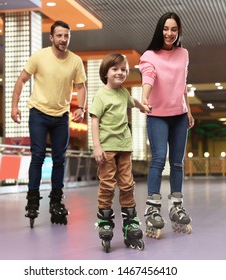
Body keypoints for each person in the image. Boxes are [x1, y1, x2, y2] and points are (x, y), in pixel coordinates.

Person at [11, 20, 87, 228]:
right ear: (51, 37)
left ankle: (56, 201)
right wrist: (14, 106)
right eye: (59, 36)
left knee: (59, 159)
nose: (63, 39)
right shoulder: (39, 56)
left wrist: (80, 107)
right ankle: (33, 199)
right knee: (37, 156)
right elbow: (21, 80)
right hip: (38, 113)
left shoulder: (75, 61)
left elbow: (81, 87)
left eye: (66, 36)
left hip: (61, 115)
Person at [139, 12, 194, 238]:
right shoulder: (149, 55)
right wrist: (144, 98)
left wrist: (188, 110)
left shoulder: (184, 54)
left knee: (178, 162)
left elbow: (182, 84)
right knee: (159, 158)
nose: (169, 33)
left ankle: (176, 206)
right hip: (157, 114)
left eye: (173, 29)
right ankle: (152, 208)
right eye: (165, 29)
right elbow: (149, 77)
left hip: (179, 114)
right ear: (159, 30)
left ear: (178, 31)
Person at [89, 53, 150, 253]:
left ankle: (130, 222)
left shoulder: (124, 93)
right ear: (106, 72)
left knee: (127, 184)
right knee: (107, 184)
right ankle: (105, 221)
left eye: (124, 69)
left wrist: (143, 107)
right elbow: (95, 121)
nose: (120, 73)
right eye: (115, 69)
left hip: (125, 146)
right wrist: (96, 146)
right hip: (107, 148)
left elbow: (132, 100)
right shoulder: (100, 95)